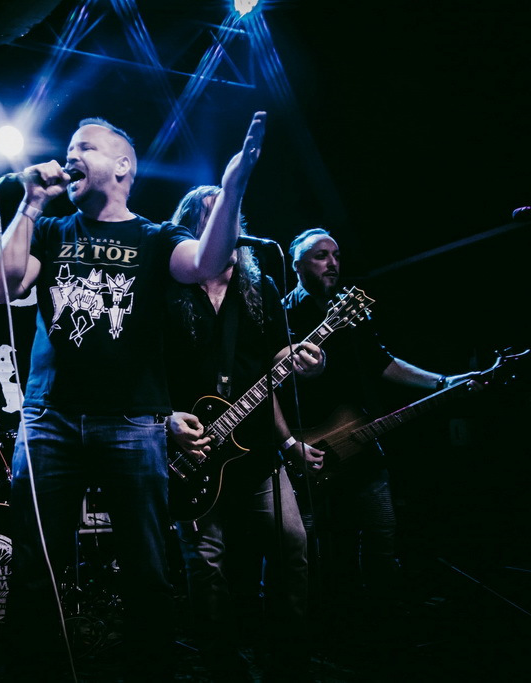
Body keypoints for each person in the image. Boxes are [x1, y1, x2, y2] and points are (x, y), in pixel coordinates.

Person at [0, 111, 267, 681]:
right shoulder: (51, 230)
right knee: (37, 564)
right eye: (69, 147)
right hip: (49, 418)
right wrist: (30, 204)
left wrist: (233, 186)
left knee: (145, 567)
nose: (71, 155)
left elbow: (206, 263)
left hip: (134, 421)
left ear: (122, 165)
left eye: (85, 147)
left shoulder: (155, 237)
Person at [281, 227, 480, 642]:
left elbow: (382, 363)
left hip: (359, 437)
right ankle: (312, 627)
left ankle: (384, 624)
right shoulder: (281, 315)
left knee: (381, 531)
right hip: (306, 448)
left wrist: (442, 381)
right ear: (297, 264)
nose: (333, 263)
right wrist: (289, 443)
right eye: (320, 256)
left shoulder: (348, 310)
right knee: (308, 546)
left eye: (336, 255)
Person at [163, 186, 325, 682]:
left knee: (293, 544)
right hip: (189, 449)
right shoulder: (166, 287)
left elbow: (273, 363)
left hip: (255, 451)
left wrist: (302, 361)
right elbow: (142, 368)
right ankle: (222, 666)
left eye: (235, 215)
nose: (231, 225)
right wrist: (166, 418)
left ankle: (288, 658)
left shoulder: (261, 285)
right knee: (206, 564)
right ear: (195, 229)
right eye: (219, 216)